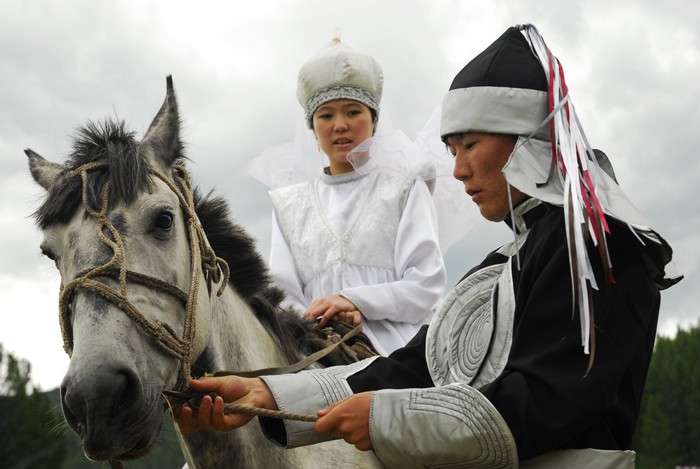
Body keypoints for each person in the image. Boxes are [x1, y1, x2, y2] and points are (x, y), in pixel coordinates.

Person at [174, 24, 682, 468]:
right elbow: (419, 363)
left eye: (469, 145)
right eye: (452, 150)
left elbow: (546, 404)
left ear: (528, 138)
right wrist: (266, 392)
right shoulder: (511, 258)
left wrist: (386, 417)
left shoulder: (597, 244)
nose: (457, 171)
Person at [257, 37, 448, 356]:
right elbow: (282, 292)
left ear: (374, 121)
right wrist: (319, 318)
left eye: (353, 111)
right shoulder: (289, 205)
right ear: (313, 128)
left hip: (399, 347)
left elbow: (425, 284)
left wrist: (355, 301)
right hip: (312, 346)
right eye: (326, 115)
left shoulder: (404, 186)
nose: (340, 125)